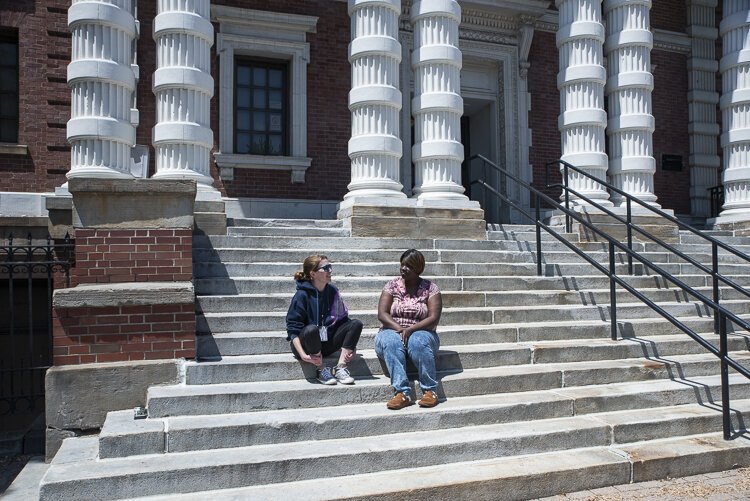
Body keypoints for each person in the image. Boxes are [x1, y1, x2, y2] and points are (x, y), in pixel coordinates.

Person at [374, 249, 442, 409]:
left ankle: (430, 391)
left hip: (423, 332)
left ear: (418, 269)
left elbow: (433, 319)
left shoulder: (431, 289)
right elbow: (382, 314)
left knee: (418, 342)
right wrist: (400, 329)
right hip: (391, 329)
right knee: (391, 341)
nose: (403, 268)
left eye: (408, 266)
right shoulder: (392, 286)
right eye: (402, 264)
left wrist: (410, 330)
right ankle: (402, 393)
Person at [286, 254, 363, 385]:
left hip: (326, 343)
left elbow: (343, 321)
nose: (330, 271)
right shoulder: (302, 295)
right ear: (313, 273)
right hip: (306, 346)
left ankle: (341, 368)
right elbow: (293, 329)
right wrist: (303, 355)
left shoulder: (333, 291)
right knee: (311, 329)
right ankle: (321, 369)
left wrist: (350, 346)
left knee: (355, 324)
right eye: (326, 268)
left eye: (330, 267)